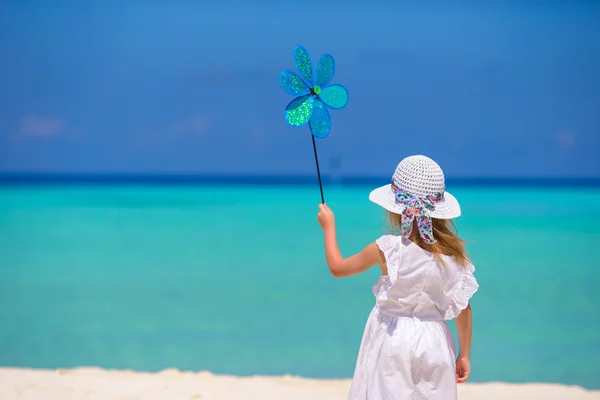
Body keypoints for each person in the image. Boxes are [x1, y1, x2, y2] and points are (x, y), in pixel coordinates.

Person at [317, 155, 479, 400]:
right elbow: (463, 307)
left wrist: (329, 227)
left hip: (392, 338)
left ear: (397, 207)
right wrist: (464, 354)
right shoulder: (454, 256)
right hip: (434, 341)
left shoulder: (388, 249)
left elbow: (338, 268)